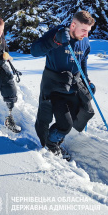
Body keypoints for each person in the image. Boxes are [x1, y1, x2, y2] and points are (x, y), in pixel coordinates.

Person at [31, 10, 96, 157]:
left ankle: (55, 139)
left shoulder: (84, 40)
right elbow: (34, 51)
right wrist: (54, 41)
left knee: (73, 119)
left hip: (72, 86)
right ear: (73, 25)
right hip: (54, 86)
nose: (86, 35)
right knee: (64, 124)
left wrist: (86, 81)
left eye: (88, 31)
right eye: (84, 30)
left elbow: (82, 62)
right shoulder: (57, 33)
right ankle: (50, 144)